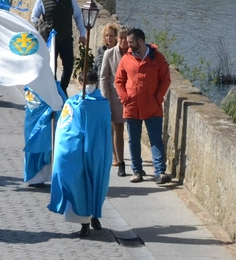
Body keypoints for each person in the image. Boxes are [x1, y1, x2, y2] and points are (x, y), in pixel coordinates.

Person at [48, 69, 112, 238]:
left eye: (91, 84)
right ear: (80, 84)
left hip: (96, 150)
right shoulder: (73, 103)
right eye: (86, 84)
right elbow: (65, 128)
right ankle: (84, 222)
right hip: (76, 151)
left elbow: (104, 129)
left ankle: (95, 215)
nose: (88, 87)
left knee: (97, 181)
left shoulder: (102, 103)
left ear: (95, 84)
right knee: (80, 185)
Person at [115, 28, 172, 184]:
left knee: (156, 140)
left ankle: (160, 171)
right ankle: (136, 170)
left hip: (152, 106)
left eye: (131, 42)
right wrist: (125, 98)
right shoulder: (126, 59)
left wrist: (158, 98)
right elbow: (118, 81)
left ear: (140, 41)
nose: (128, 44)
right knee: (134, 140)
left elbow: (165, 80)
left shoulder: (157, 58)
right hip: (132, 106)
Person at [31, 0, 87, 93]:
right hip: (51, 40)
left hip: (66, 38)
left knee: (69, 65)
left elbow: (77, 16)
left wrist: (82, 34)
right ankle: (53, 90)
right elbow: (34, 17)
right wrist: (44, 27)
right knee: (52, 67)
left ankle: (63, 88)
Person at [100, 26, 129, 177]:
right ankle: (120, 160)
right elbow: (104, 77)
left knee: (131, 131)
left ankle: (133, 162)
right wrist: (106, 99)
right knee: (118, 129)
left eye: (126, 38)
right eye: (121, 38)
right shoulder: (109, 54)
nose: (123, 41)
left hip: (130, 99)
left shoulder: (133, 54)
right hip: (115, 98)